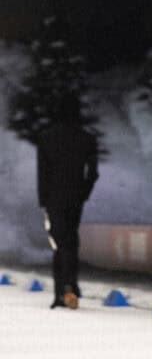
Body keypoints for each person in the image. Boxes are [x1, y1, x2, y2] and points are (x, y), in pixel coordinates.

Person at [36, 95, 99, 309]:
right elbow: (93, 173)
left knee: (59, 243)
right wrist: (84, 193)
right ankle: (71, 286)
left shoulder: (46, 138)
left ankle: (62, 291)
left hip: (54, 198)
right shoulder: (87, 138)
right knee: (71, 240)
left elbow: (43, 173)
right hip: (76, 197)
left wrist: (43, 201)